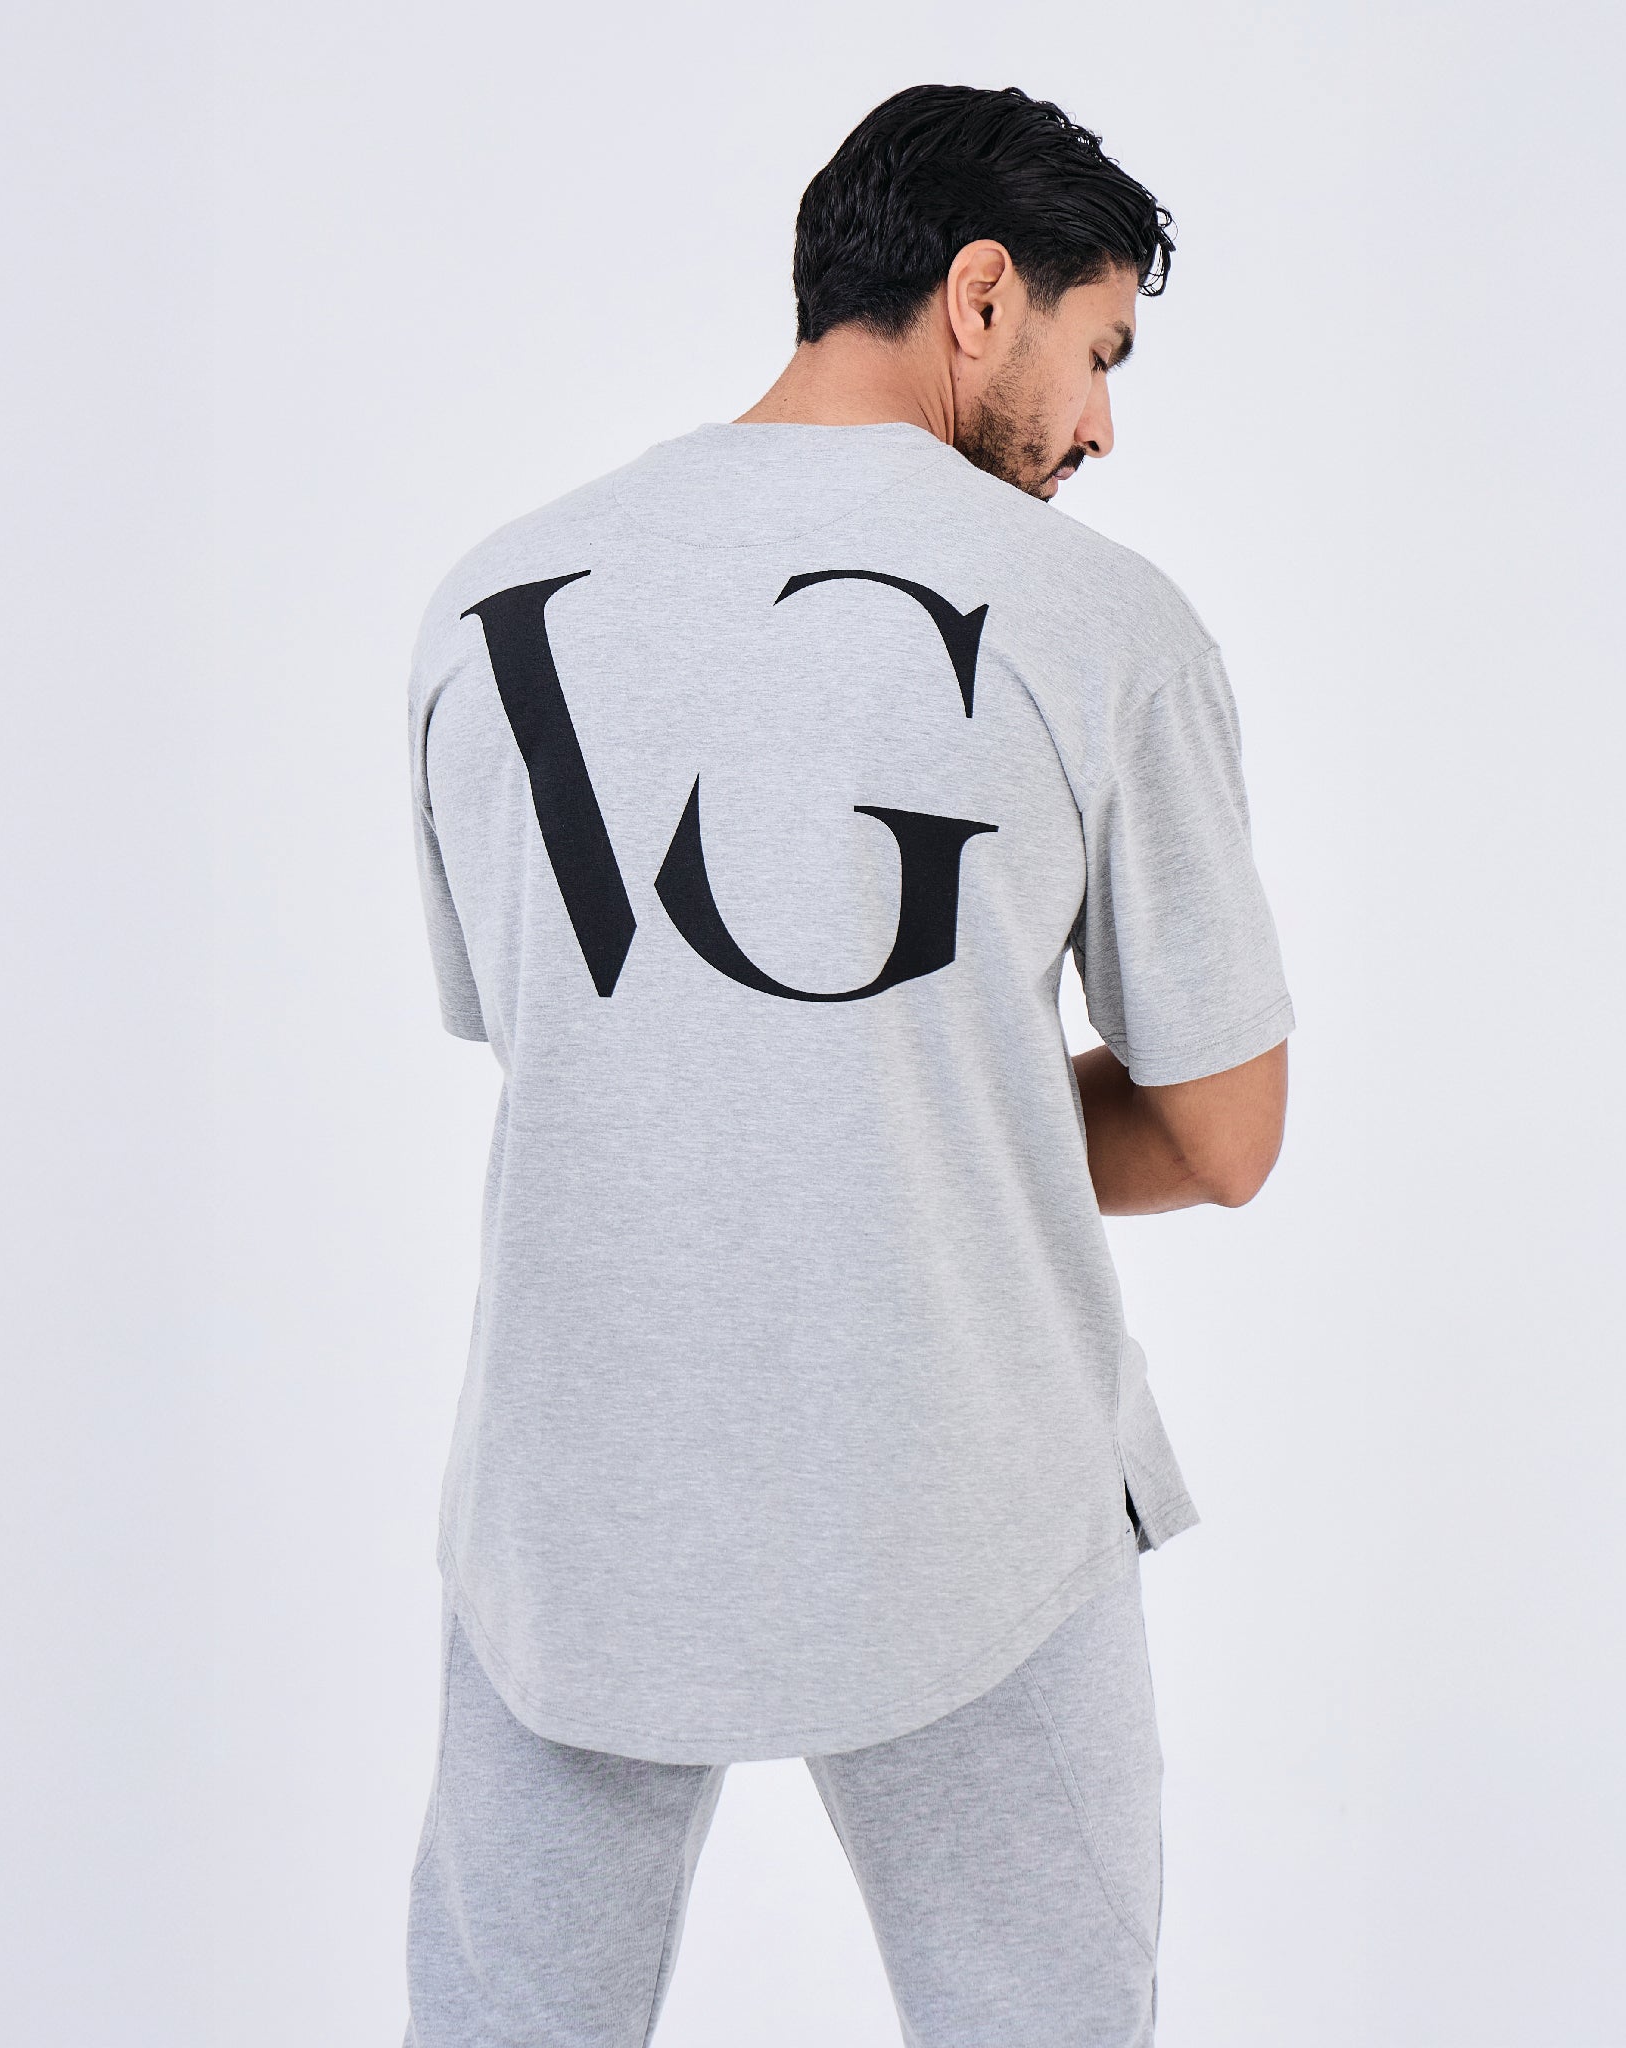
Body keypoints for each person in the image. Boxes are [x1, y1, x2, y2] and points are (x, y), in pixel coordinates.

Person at [402, 82, 1293, 2047]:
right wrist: (950, 1099)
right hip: (971, 1497)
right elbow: (1226, 1133)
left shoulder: (481, 606)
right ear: (981, 295)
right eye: (1098, 352)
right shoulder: (1103, 622)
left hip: (575, 1512)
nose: (1101, 428)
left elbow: (579, 1043)